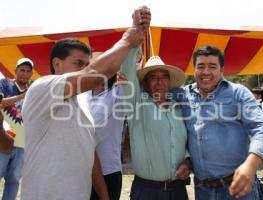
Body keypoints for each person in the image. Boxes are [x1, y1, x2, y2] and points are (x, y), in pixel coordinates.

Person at [21, 6, 151, 200]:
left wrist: (104, 195)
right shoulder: (42, 87)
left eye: (86, 64)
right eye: (78, 63)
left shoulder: (82, 101)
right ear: (56, 63)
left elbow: (89, 154)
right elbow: (92, 76)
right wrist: (127, 39)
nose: (84, 68)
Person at [172, 45, 263, 199]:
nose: (206, 72)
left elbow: (262, 128)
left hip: (238, 188)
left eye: (212, 66)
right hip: (203, 190)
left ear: (222, 69)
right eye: (201, 66)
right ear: (194, 70)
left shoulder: (238, 93)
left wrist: (250, 165)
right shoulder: (184, 95)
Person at [120, 54, 192, 200]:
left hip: (178, 191)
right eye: (153, 77)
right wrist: (135, 44)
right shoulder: (137, 106)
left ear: (169, 81)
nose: (159, 81)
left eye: (164, 76)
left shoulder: (179, 109)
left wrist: (187, 161)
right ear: (145, 83)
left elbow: (185, 143)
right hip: (147, 192)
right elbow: (127, 69)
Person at [0, 58, 33, 200]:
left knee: (13, 181)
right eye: (22, 70)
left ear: (31, 74)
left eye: (27, 71)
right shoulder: (5, 84)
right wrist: (22, 96)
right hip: (2, 141)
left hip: (22, 144)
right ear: (15, 71)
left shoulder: (33, 90)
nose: (24, 74)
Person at [88, 73, 125, 200]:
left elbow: (133, 62)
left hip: (108, 172)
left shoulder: (118, 91)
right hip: (80, 173)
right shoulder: (82, 96)